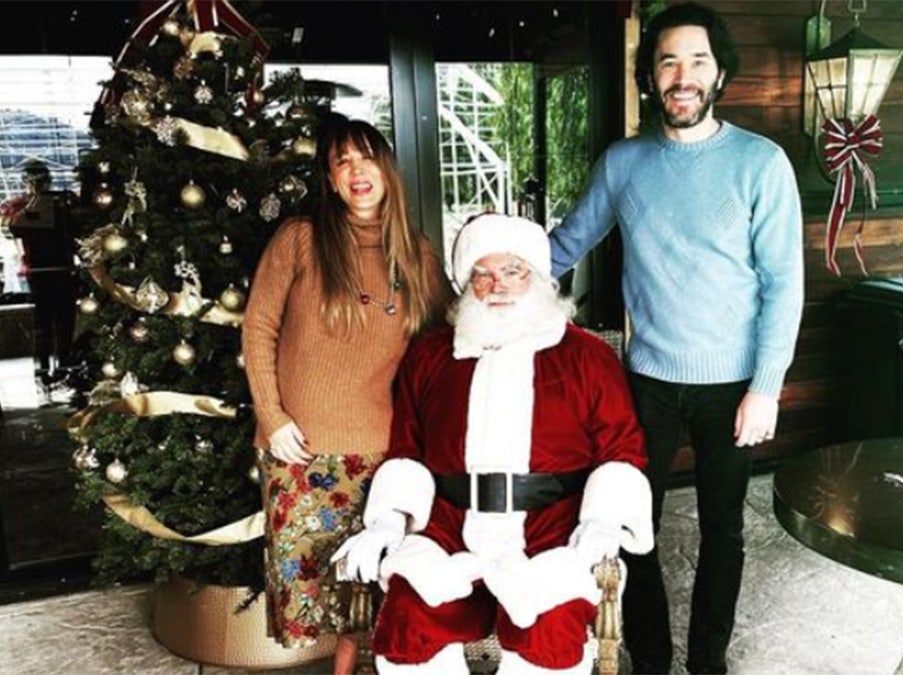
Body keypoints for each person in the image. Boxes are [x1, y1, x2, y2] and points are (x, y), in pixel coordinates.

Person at [547, 3, 805, 673]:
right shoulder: (625, 163)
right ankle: (652, 660)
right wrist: (494, 271)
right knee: (634, 527)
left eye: (696, 61)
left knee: (724, 531)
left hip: (734, 386)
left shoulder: (760, 163)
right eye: (667, 62)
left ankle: (707, 663)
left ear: (720, 74)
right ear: (649, 77)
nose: (681, 75)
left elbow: (783, 283)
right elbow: (568, 242)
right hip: (648, 384)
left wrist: (766, 389)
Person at [331, 214, 654, 675]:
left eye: (512, 271)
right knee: (409, 624)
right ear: (467, 284)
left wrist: (603, 522)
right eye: (482, 273)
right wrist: (387, 521)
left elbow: (621, 450)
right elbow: (407, 449)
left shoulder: (586, 356)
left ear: (538, 277)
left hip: (550, 528)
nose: (496, 285)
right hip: (449, 526)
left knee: (550, 634)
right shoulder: (431, 356)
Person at [242, 115, 450, 674]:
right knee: (320, 592)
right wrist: (272, 415)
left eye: (367, 158)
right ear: (331, 180)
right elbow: (258, 326)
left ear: (387, 170)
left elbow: (445, 346)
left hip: (386, 458)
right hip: (301, 450)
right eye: (342, 162)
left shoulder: (419, 256)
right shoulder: (301, 240)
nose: (357, 171)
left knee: (380, 590)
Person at [2, 159, 77, 394]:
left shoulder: (60, 203)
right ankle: (45, 374)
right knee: (46, 326)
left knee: (60, 326)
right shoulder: (22, 206)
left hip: (56, 269)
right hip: (43, 270)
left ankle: (60, 371)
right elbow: (15, 229)